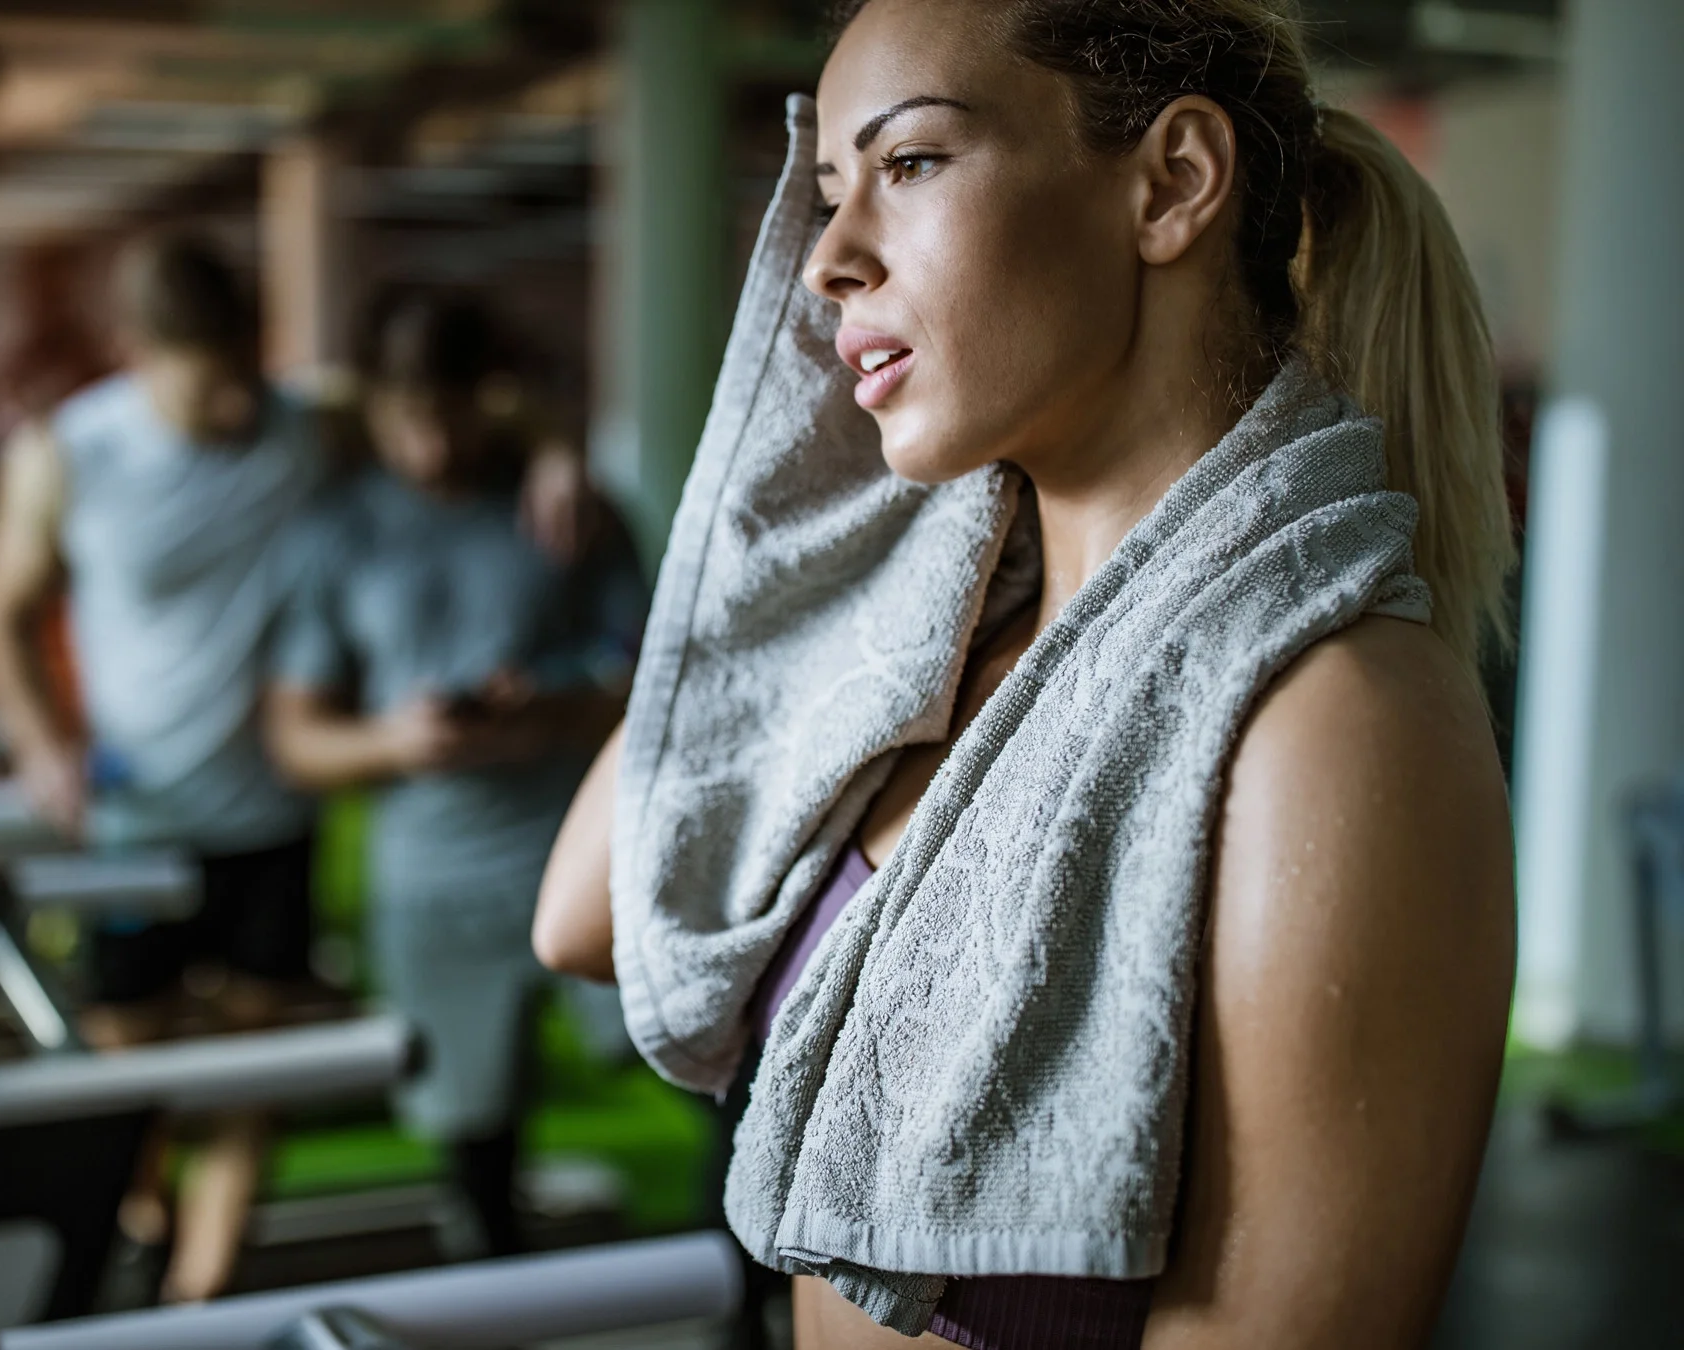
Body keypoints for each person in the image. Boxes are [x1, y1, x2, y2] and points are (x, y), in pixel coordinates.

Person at [533, 3, 1516, 1348]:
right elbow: (589, 915)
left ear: (1170, 182)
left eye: (914, 163)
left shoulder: (1335, 716)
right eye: (828, 194)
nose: (826, 259)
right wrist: (792, 529)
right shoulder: (937, 651)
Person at [0, 235, 604, 1301]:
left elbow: (467, 406)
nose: (234, 399)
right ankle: (151, 1224)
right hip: (140, 809)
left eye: (243, 366)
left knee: (252, 1060)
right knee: (133, 1058)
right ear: (140, 355)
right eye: (207, 379)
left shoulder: (305, 419)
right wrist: (41, 746)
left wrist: (555, 455)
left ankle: (199, 1292)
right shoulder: (73, 454)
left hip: (268, 810)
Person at [263, 295, 645, 1259]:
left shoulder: (565, 505)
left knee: (703, 1071)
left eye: (448, 416)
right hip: (431, 880)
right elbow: (296, 739)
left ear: (490, 398)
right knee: (473, 1149)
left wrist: (549, 711)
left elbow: (670, 683)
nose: (429, 447)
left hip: (582, 856)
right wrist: (399, 743)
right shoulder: (335, 531)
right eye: (405, 421)